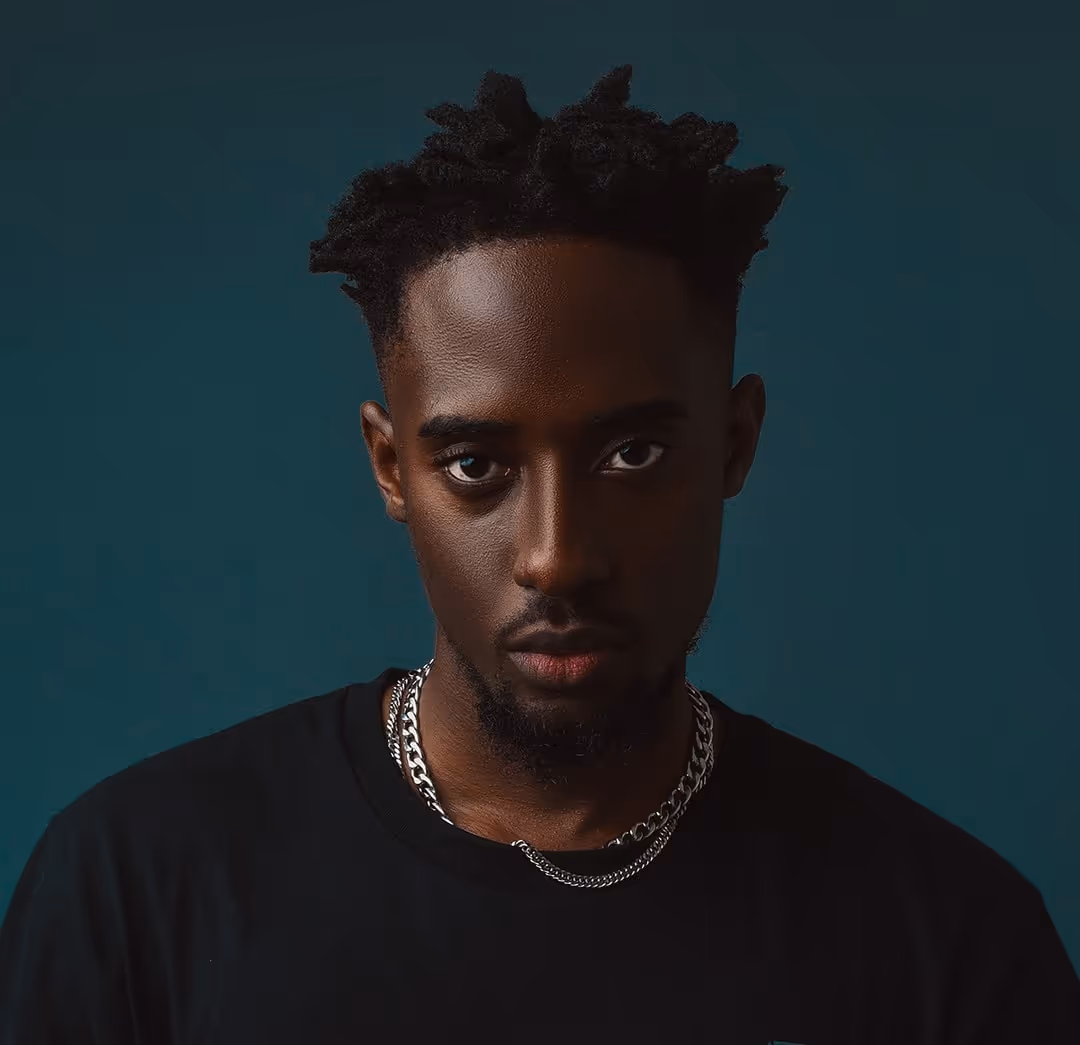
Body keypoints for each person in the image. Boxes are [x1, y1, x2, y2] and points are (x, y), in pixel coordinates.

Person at [1, 64, 1077, 1044]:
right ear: (390, 467)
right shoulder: (133, 887)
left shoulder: (948, 939)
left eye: (634, 452)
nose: (557, 558)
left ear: (736, 444)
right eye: (476, 464)